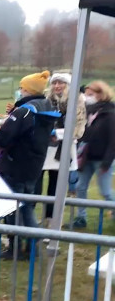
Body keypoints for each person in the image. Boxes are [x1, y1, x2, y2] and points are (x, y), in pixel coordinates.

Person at [0, 70, 58, 257]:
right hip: (33, 164)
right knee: (27, 205)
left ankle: (16, 246)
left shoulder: (25, 111)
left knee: (13, 207)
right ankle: (31, 245)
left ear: (28, 90)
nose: (20, 91)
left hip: (16, 164)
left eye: (22, 88)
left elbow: (3, 138)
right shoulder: (46, 106)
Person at [38, 72, 86, 222]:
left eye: (61, 83)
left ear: (67, 85)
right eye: (55, 83)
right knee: (37, 182)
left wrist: (59, 134)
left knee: (56, 185)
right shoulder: (47, 99)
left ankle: (52, 219)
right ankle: (40, 217)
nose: (57, 86)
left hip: (63, 148)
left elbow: (78, 125)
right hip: (46, 146)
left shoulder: (76, 99)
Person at [72, 80, 115, 229]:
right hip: (86, 157)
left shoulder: (110, 114)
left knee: (106, 191)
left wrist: (107, 162)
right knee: (80, 187)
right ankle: (81, 218)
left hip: (102, 158)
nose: (87, 97)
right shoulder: (87, 110)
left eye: (91, 94)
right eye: (86, 94)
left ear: (100, 94)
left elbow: (113, 140)